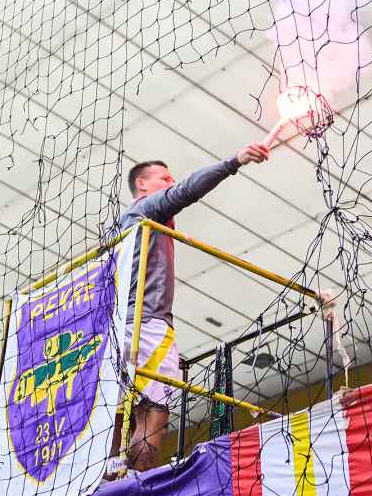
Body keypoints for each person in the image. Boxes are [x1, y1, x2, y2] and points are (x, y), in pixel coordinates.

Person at [107, 142, 271, 474]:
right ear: (142, 184)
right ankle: (137, 485)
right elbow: (184, 192)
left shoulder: (119, 229)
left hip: (119, 330)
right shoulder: (144, 210)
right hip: (148, 324)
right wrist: (234, 161)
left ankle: (111, 481)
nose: (170, 182)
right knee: (153, 413)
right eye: (164, 178)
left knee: (123, 412)